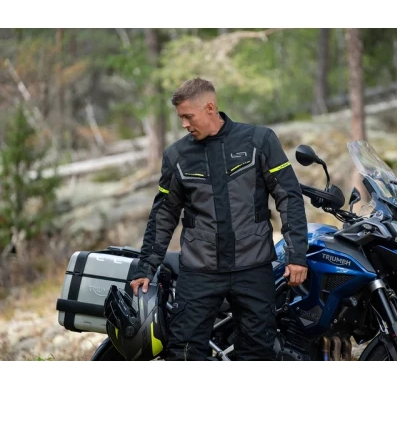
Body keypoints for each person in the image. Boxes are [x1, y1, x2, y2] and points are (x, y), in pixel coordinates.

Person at [130, 78, 308, 360]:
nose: (184, 124)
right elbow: (164, 214)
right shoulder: (176, 155)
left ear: (210, 107)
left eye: (188, 116)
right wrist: (145, 267)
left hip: (253, 268)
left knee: (259, 353)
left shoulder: (259, 141)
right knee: (184, 352)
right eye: (180, 118)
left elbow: (289, 196)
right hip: (199, 272)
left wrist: (297, 255)